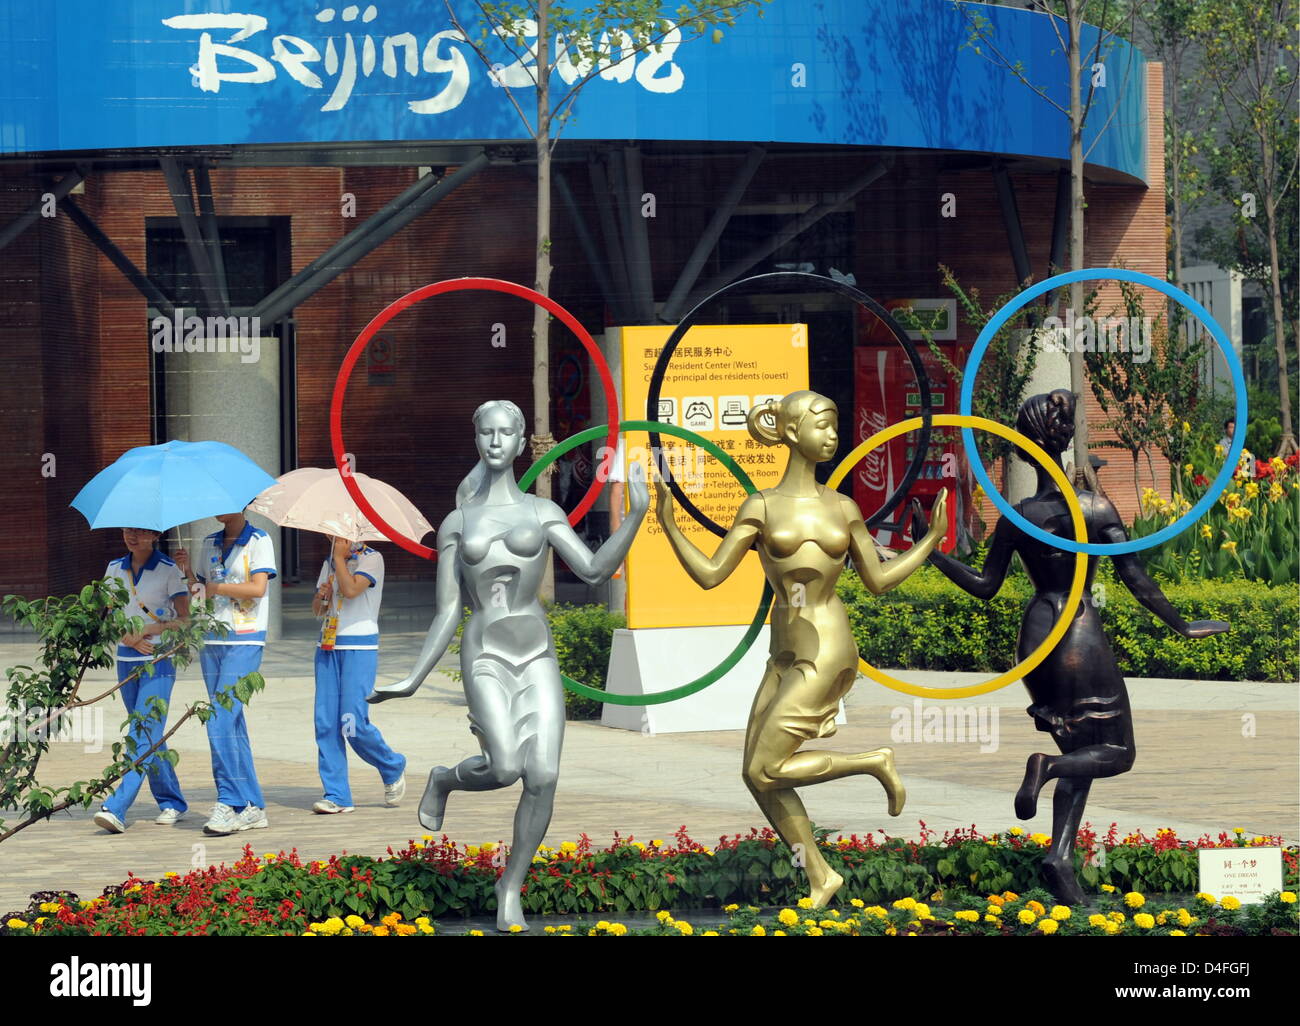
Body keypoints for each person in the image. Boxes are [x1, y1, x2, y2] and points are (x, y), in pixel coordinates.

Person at [923, 389, 1227, 905]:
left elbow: (984, 585)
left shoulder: (1019, 513)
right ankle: (1045, 768)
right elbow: (1135, 576)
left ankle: (1059, 860)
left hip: (1038, 633)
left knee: (1080, 747)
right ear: (1065, 442)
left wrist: (931, 552)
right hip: (1078, 629)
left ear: (1024, 445)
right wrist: (1181, 624)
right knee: (1116, 752)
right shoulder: (1092, 505)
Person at [655, 391, 949, 907]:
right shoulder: (761, 506)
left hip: (828, 647)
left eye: (836, 424)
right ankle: (820, 876)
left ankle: (874, 761)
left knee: (765, 768)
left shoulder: (844, 507)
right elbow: (709, 575)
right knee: (757, 775)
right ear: (791, 433)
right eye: (823, 424)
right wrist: (670, 523)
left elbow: (876, 580)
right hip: (784, 652)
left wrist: (930, 541)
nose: (834, 435)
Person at [367, 399, 649, 932]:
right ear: (477, 441)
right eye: (487, 434)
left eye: (506, 434)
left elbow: (592, 571)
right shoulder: (458, 520)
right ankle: (445, 780)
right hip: (486, 651)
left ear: (523, 444)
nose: (496, 442)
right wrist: (412, 678)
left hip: (535, 651)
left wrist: (634, 516)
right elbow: (448, 610)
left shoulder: (543, 514)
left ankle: (511, 885)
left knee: (542, 775)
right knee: (503, 769)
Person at [175, 509, 276, 836]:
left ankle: (230, 802)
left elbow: (258, 589)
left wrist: (217, 588)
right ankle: (253, 806)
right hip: (211, 639)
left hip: (245, 640)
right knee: (231, 723)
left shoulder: (259, 540)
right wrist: (188, 573)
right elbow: (202, 593)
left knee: (218, 718)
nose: (217, 509)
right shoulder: (209, 543)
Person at [92, 527, 190, 833]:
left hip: (158, 661)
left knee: (143, 730)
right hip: (126, 660)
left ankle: (118, 806)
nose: (131, 536)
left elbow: (184, 620)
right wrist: (127, 637)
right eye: (127, 530)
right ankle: (172, 801)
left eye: (139, 531)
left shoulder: (169, 570)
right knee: (149, 732)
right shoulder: (112, 569)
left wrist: (147, 631)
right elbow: (107, 614)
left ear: (154, 535)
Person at [309, 535, 406, 814]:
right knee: (325, 722)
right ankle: (337, 794)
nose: (333, 537)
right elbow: (317, 610)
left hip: (359, 645)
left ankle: (391, 764)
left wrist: (339, 559)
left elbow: (352, 591)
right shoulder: (329, 562)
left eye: (339, 532)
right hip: (327, 645)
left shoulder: (371, 558)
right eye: (329, 533)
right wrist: (322, 596)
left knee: (352, 721)